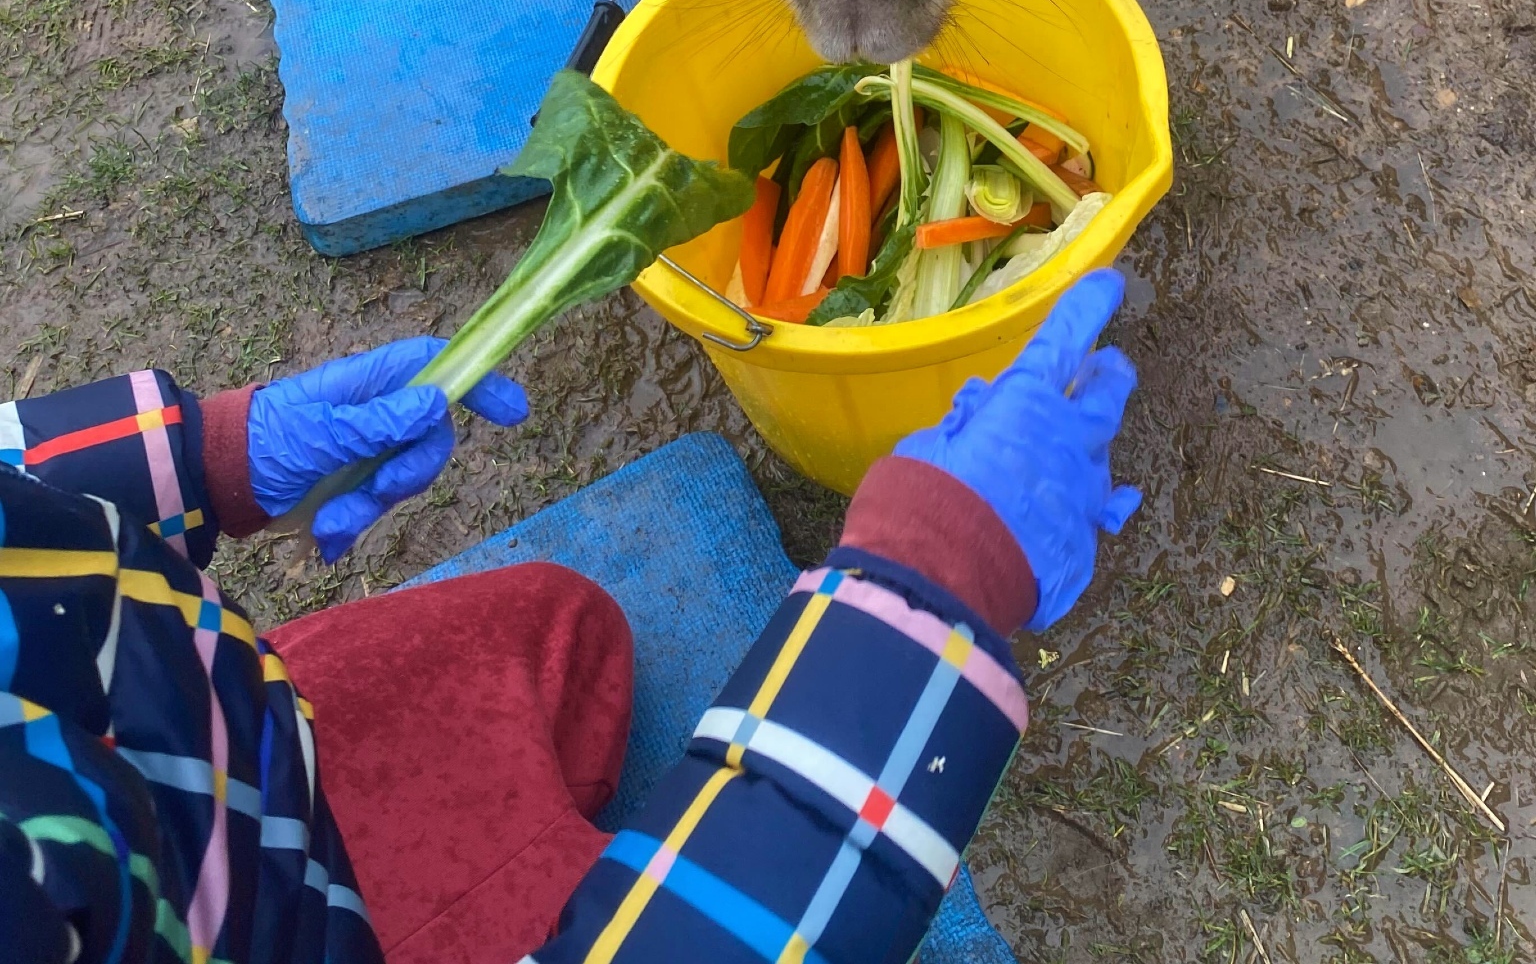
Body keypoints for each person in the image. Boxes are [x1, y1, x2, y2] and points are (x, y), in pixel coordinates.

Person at [0, 269, 1139, 964]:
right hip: (267, 916)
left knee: (554, 634)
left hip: (176, 748)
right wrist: (925, 598)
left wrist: (189, 460)